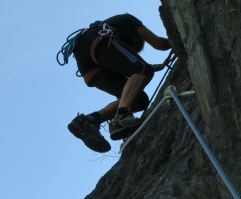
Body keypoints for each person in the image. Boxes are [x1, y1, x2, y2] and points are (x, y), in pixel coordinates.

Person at [67, 13, 171, 152]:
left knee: (139, 101)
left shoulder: (114, 45)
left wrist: (125, 133)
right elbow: (159, 43)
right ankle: (121, 117)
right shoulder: (128, 19)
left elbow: (125, 96)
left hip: (86, 63)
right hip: (99, 39)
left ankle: (90, 121)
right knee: (142, 69)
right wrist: (178, 40)